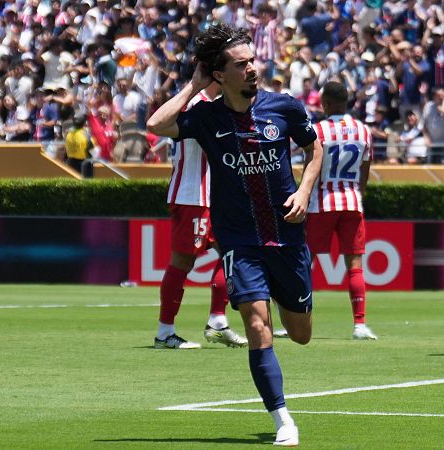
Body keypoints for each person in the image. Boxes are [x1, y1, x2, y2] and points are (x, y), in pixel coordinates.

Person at [147, 23, 323, 447]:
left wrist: (303, 190)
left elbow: (314, 147)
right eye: (240, 64)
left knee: (300, 333)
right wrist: (192, 86)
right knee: (257, 325)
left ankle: (282, 297)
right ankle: (284, 419)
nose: (251, 69)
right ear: (219, 74)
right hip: (239, 241)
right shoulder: (206, 117)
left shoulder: (284, 107)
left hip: (287, 237)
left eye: (251, 62)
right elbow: (156, 124)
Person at [153, 81, 248, 350]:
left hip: (211, 196)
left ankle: (217, 321)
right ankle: (165, 332)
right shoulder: (197, 105)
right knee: (182, 262)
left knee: (234, 250)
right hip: (194, 193)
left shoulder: (215, 105)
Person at [307, 81, 377, 340]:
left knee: (306, 262)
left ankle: (297, 319)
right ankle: (360, 324)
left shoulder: (319, 130)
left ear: (326, 103)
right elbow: (366, 168)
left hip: (321, 202)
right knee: (355, 265)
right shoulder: (364, 130)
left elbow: (311, 167)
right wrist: (359, 192)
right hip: (351, 201)